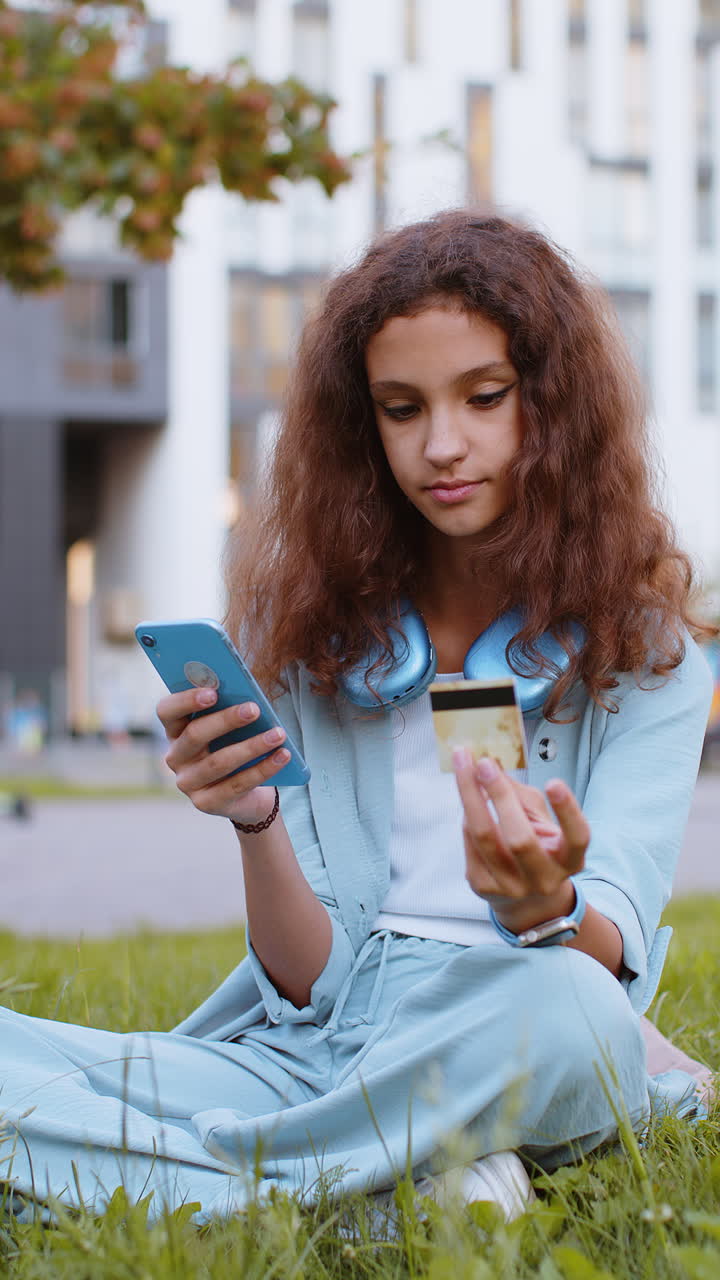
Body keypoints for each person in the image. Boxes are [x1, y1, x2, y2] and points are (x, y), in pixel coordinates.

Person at [0, 211, 715, 1225]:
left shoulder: (651, 659)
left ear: (553, 408)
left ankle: (205, 1180)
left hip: (520, 1008)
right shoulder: (318, 635)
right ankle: (383, 1193)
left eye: (485, 397)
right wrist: (254, 817)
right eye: (400, 407)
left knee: (578, 1010)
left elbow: (612, 950)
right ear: (362, 423)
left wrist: (544, 905)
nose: (442, 445)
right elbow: (308, 980)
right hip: (321, 1048)